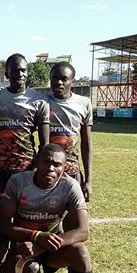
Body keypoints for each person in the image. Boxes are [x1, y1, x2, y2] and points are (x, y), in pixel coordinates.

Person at [0, 144, 103, 273]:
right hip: (23, 251)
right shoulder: (18, 182)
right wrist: (35, 236)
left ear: (64, 167)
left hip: (51, 249)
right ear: (36, 162)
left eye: (57, 164)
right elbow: (3, 225)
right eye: (46, 162)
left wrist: (43, 245)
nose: (51, 168)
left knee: (81, 253)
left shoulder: (69, 186)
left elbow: (83, 231)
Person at [0, 53, 50, 193]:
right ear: (7, 75)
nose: (20, 74)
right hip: (0, 168)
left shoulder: (39, 101)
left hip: (26, 168)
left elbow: (45, 144)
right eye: (15, 70)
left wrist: (37, 167)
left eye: (23, 70)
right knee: (0, 210)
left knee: (23, 211)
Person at [46, 62, 93, 201]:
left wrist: (89, 181)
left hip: (72, 171)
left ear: (72, 81)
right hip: (48, 172)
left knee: (72, 217)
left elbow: (86, 143)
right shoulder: (42, 102)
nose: (59, 82)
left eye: (64, 79)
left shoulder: (84, 104)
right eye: (54, 78)